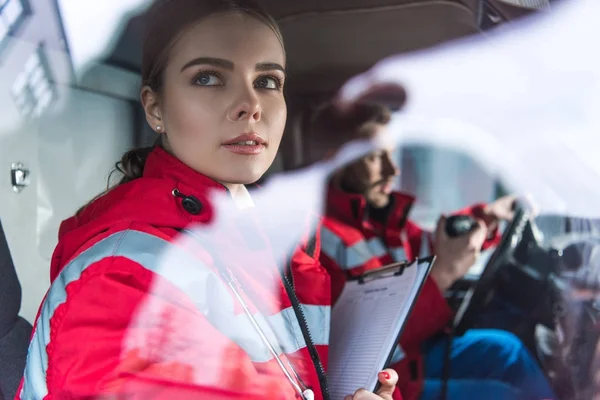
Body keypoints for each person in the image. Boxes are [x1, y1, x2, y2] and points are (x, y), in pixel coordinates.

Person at [15, 1, 401, 399]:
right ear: (154, 107)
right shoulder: (121, 276)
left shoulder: (277, 242)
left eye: (268, 81)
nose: (250, 106)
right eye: (208, 78)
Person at [308, 101, 556, 400]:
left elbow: (434, 244)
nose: (392, 170)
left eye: (392, 154)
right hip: (387, 382)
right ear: (336, 159)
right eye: (375, 157)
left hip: (414, 358)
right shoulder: (319, 240)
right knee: (506, 395)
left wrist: (486, 216)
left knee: (507, 349)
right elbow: (364, 348)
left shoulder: (380, 217)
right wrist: (443, 276)